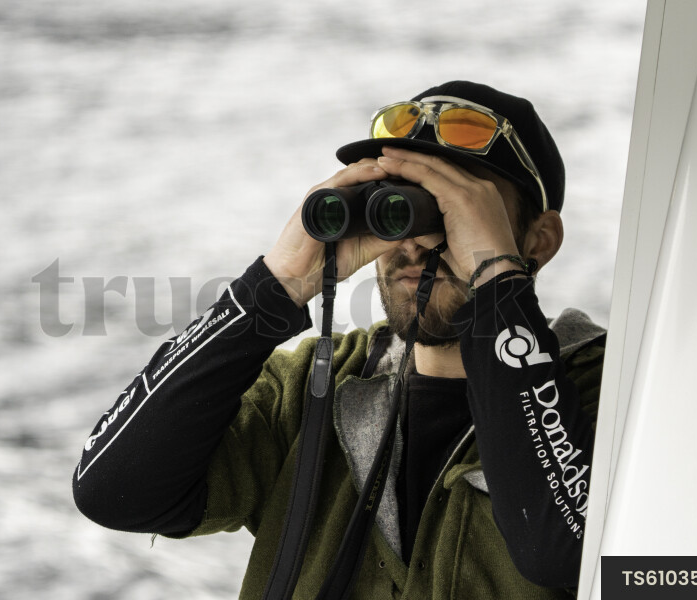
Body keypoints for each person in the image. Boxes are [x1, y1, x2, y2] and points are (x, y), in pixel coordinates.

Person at [72, 81, 606, 599]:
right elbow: (114, 492)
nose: (416, 244)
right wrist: (276, 285)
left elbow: (565, 552)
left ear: (537, 241)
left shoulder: (621, 391)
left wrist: (495, 282)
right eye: (402, 207)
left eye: (456, 210)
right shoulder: (314, 387)